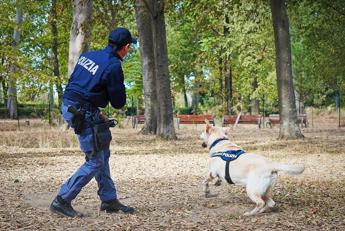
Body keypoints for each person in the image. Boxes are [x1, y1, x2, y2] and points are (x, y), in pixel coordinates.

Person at [50, 27, 137, 217]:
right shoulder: (113, 66)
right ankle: (62, 200)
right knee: (95, 159)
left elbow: (77, 83)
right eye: (130, 47)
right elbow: (119, 102)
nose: (129, 51)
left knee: (102, 153)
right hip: (82, 111)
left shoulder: (89, 55)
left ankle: (109, 200)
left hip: (72, 105)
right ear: (126, 46)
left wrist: (95, 110)